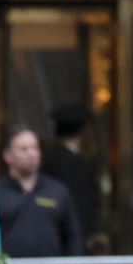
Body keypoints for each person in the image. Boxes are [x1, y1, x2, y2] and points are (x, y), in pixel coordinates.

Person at [0, 124, 83, 257]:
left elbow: (73, 238)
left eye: (35, 148)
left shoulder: (58, 191)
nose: (31, 154)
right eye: (23, 149)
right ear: (7, 155)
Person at [42, 103, 101, 252]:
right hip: (72, 241)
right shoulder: (74, 163)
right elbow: (79, 204)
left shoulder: (53, 159)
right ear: (81, 131)